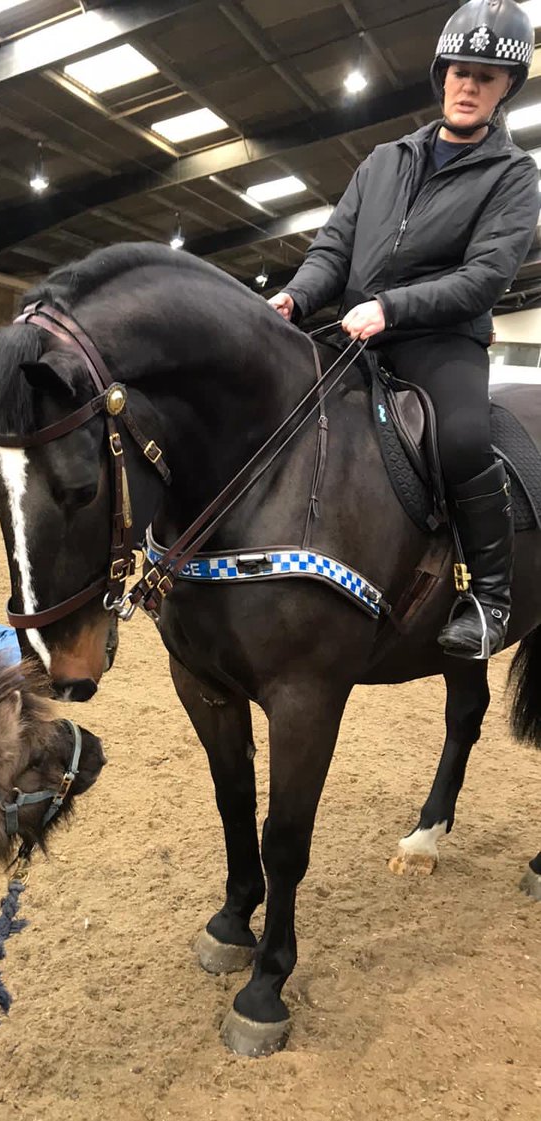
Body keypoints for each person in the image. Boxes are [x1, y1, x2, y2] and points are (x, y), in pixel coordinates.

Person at [269, 0, 540, 659]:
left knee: (466, 440)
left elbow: (484, 278)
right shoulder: (384, 161)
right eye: (459, 71)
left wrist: (394, 308)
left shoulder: (514, 177)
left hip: (442, 341)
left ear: (507, 88)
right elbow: (332, 250)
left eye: (486, 76)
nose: (469, 85)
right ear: (440, 74)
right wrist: (294, 301)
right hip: (356, 332)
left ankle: (490, 598)